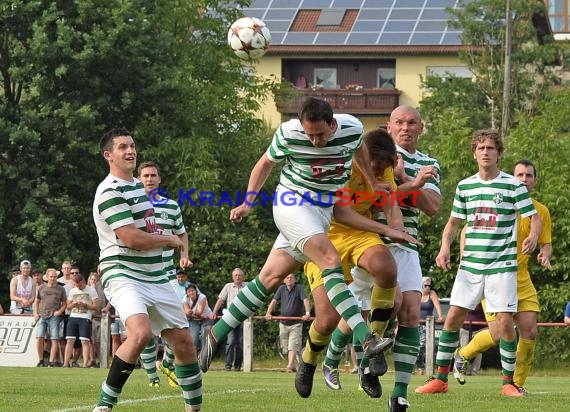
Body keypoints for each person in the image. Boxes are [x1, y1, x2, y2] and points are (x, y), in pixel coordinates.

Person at [199, 98, 416, 399]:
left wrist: (369, 181)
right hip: (291, 204)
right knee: (329, 258)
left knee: (268, 279)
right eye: (309, 134)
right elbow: (264, 164)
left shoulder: (352, 128)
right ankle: (367, 339)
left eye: (320, 135)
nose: (314, 141)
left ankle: (215, 334)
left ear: (332, 124)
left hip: (321, 213)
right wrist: (248, 203)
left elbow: (361, 152)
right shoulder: (289, 133)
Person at [415, 129, 541, 398]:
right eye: (481, 148)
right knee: (451, 320)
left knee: (505, 323)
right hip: (470, 267)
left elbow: (534, 217)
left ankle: (509, 383)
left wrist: (532, 235)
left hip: (502, 267)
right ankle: (440, 379)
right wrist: (445, 247)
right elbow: (453, 223)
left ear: (499, 154)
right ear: (474, 153)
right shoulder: (465, 186)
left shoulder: (513, 185)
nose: (485, 152)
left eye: (491, 148)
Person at [92, 128, 201, 412]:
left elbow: (150, 231)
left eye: (132, 146)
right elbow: (131, 238)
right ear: (108, 155)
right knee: (139, 334)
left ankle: (195, 409)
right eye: (122, 147)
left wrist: (171, 241)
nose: (130, 151)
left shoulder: (139, 189)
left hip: (156, 275)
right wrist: (168, 239)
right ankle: (104, 406)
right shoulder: (109, 190)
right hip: (123, 271)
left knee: (185, 344)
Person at [303, 128, 412, 398]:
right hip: (327, 234)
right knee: (328, 320)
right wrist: (387, 230)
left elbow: (390, 204)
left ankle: (370, 358)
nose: (377, 175)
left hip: (362, 234)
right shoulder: (343, 167)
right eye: (373, 169)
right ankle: (308, 361)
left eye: (382, 170)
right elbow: (342, 214)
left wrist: (398, 229)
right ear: (363, 157)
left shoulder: (384, 167)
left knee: (387, 271)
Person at [352, 105, 441, 411]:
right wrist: (407, 185)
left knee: (412, 313)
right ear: (388, 126)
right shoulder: (366, 154)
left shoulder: (429, 163)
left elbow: (431, 206)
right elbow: (368, 200)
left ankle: (400, 393)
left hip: (407, 244)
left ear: (421, 127)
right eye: (399, 122)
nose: (406, 127)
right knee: (392, 305)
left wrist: (404, 177)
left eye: (412, 122)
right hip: (371, 241)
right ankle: (367, 359)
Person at [453, 159, 553, 393]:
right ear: (512, 178)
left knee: (530, 330)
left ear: (534, 181)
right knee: (498, 333)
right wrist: (464, 258)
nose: (524, 180)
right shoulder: (498, 200)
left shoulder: (540, 211)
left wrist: (544, 255)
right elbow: (468, 229)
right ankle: (464, 354)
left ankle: (516, 384)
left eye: (529, 175)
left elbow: (546, 244)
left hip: (521, 277)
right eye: (519, 175)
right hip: (493, 274)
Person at [138, 160, 192, 388]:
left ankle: (168, 364)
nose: (149, 179)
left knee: (178, 326)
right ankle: (152, 377)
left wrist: (184, 254)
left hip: (166, 275)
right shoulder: (133, 205)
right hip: (138, 275)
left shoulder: (171, 206)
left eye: (153, 175)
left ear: (159, 179)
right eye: (145, 176)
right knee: (145, 332)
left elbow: (182, 233)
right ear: (139, 179)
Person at [265, 273, 311, 372]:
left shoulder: (299, 288)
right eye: (287, 278)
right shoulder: (281, 289)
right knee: (285, 347)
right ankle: (293, 364)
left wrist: (307, 314)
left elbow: (306, 301)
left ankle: (290, 365)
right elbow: (274, 301)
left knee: (293, 345)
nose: (289, 279)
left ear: (295, 279)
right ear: (284, 280)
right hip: (283, 323)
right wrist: (268, 313)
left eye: (291, 277)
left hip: (296, 323)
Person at [209, 268, 248, 371]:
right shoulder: (228, 286)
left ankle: (238, 366)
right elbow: (221, 300)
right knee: (230, 342)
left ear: (243, 277)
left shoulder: (247, 286)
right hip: (231, 318)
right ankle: (228, 365)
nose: (237, 277)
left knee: (240, 343)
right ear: (232, 277)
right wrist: (214, 312)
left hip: (244, 318)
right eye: (235, 275)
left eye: (239, 275)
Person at [64, 271, 100, 368]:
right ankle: (66, 363)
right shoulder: (73, 291)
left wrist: (86, 305)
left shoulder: (91, 290)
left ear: (83, 281)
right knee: (70, 340)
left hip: (85, 318)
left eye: (79, 285)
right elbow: (68, 306)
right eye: (76, 285)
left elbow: (96, 306)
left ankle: (85, 364)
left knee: (85, 341)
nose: (78, 287)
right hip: (73, 317)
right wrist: (74, 304)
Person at [34, 268, 67, 367]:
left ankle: (51, 361)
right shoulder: (41, 288)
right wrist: (35, 313)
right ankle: (41, 360)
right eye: (51, 277)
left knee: (54, 338)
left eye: (54, 277)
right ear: (47, 277)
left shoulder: (61, 289)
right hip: (42, 315)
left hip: (54, 316)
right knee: (39, 337)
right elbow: (36, 301)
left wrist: (60, 311)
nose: (53, 278)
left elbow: (65, 303)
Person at [416, 277, 444, 375]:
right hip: (415, 324)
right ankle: (419, 366)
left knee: (422, 345)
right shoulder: (417, 293)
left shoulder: (432, 294)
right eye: (425, 285)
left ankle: (422, 367)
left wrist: (440, 316)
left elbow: (437, 306)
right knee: (414, 346)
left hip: (427, 325)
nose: (427, 288)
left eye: (429, 285)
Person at [183, 283, 213, 353]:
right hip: (194, 320)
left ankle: (205, 355)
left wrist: (191, 313)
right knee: (194, 339)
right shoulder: (185, 298)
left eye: (192, 290)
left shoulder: (202, 297)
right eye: (189, 291)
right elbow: (186, 312)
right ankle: (195, 357)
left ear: (196, 291)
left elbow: (199, 312)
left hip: (207, 319)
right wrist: (190, 313)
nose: (191, 292)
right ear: (187, 293)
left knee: (205, 337)